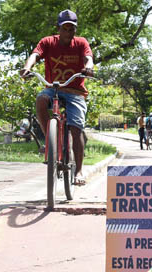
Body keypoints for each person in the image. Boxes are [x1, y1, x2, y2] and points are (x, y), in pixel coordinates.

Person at [20, 9, 94, 186]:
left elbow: (88, 58)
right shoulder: (47, 42)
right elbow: (35, 55)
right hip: (53, 89)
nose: (69, 32)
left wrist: (89, 67)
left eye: (72, 29)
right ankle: (50, 139)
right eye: (65, 28)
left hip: (75, 91)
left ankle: (79, 171)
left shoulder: (81, 42)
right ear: (58, 28)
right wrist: (27, 68)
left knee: (76, 129)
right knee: (40, 99)